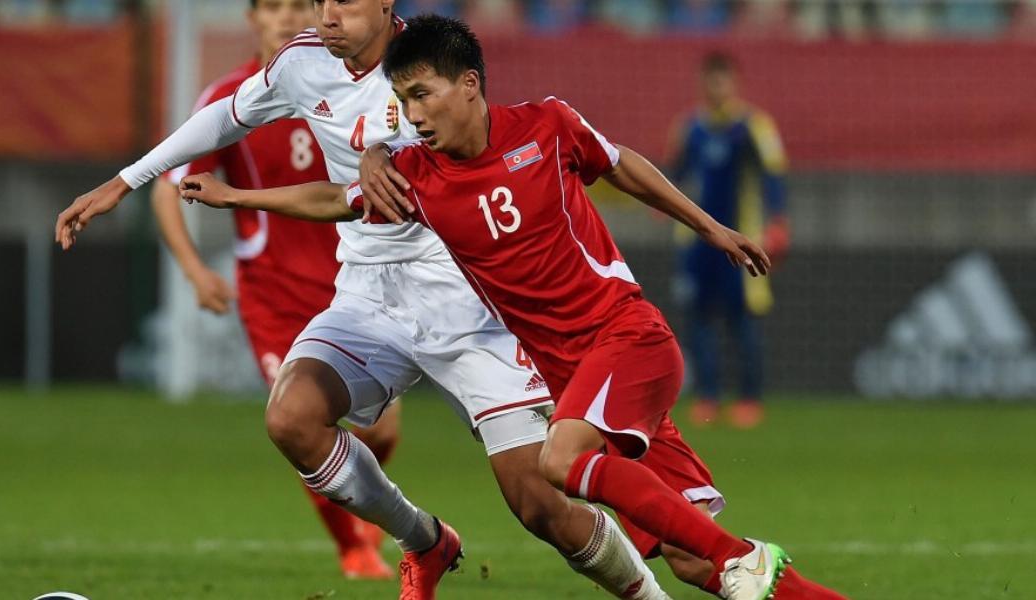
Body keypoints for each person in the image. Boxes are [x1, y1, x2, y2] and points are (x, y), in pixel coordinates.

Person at [176, 15, 846, 600]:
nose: (414, 115)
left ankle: (743, 557)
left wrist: (711, 228)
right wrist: (235, 199)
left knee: (561, 466)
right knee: (691, 557)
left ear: (469, 83)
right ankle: (763, 573)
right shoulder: (423, 179)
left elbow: (621, 163)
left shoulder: (547, 126)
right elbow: (335, 199)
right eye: (404, 101)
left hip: (623, 339)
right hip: (573, 377)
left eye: (423, 95)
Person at [55, 2, 670, 598]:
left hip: (467, 300)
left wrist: (382, 153)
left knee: (539, 505)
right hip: (369, 294)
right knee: (291, 417)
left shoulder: (425, 65)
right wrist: (124, 180)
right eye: (320, 0)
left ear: (384, 3)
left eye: (343, 1)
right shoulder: (303, 62)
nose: (325, 15)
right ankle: (423, 540)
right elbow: (225, 117)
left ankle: (648, 593)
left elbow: (466, 149)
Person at [148, 0, 397, 580]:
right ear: (251, 19)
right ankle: (353, 549)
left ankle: (354, 499)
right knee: (300, 422)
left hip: (354, 282)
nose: (287, 20)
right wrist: (194, 271)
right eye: (273, 8)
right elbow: (169, 187)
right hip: (274, 295)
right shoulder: (231, 96)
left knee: (381, 430)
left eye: (297, 7)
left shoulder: (341, 79)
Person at [667, 51, 789, 429]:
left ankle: (750, 398)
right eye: (710, 80)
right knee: (699, 319)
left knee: (743, 320)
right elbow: (675, 172)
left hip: (742, 240)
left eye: (722, 80)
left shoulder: (753, 127)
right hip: (696, 243)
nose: (716, 87)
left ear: (735, 82)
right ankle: (708, 396)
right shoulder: (691, 128)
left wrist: (778, 222)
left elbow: (774, 174)